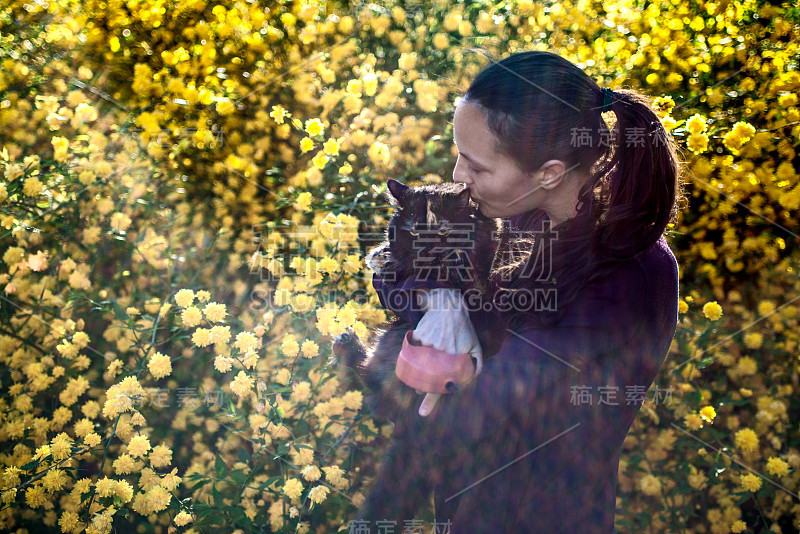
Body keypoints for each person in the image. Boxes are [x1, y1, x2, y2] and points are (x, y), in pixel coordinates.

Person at [361, 50, 682, 533]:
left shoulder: (630, 276)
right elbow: (390, 263)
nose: (456, 177)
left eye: (476, 165)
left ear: (550, 171)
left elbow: (480, 409)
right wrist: (440, 301)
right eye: (457, 154)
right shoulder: (513, 213)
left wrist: (435, 362)